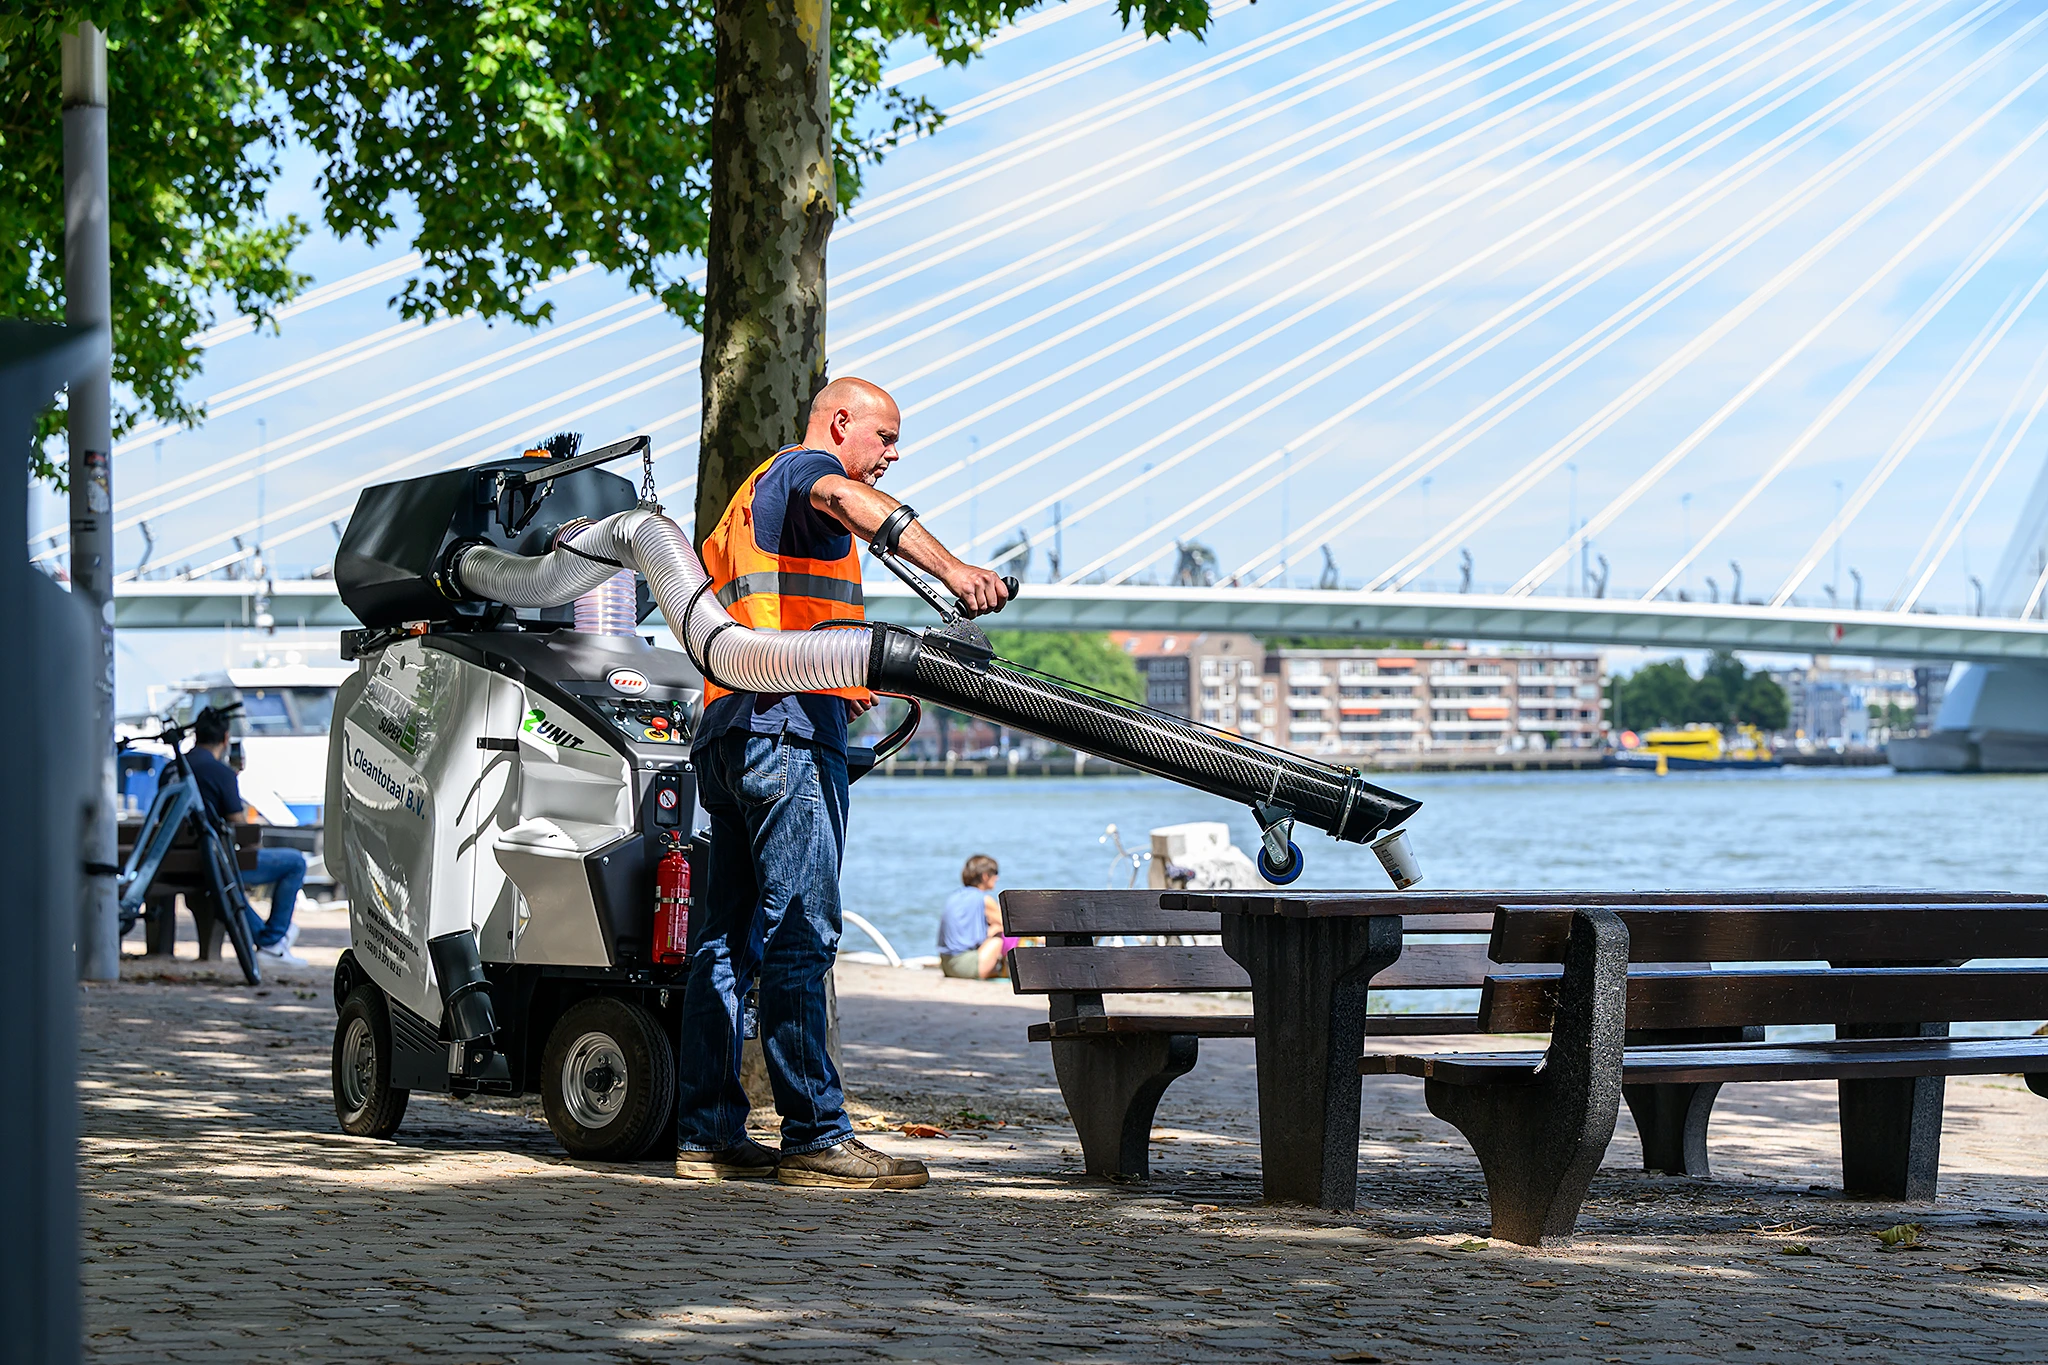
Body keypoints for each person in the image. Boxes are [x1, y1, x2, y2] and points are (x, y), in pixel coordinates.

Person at [676, 376, 1008, 1190]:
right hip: (785, 734)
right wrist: (954, 566)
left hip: (730, 732)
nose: (892, 456)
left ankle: (707, 1133)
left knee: (726, 939)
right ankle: (816, 1137)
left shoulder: (749, 502)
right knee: (804, 930)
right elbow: (844, 496)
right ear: (839, 421)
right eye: (885, 438)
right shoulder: (802, 470)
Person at [187, 707, 309, 969]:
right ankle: (273, 940)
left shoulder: (173, 768)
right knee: (296, 862)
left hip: (178, 864)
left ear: (196, 736)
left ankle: (271, 943)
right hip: (214, 862)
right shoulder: (221, 773)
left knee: (225, 879)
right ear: (225, 738)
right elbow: (241, 829)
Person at [937, 855, 1011, 980]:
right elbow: (1012, 926)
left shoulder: (956, 896)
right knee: (999, 934)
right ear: (985, 876)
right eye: (995, 873)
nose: (997, 878)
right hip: (963, 966)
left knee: (994, 928)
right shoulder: (984, 900)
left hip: (946, 964)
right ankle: (1006, 968)